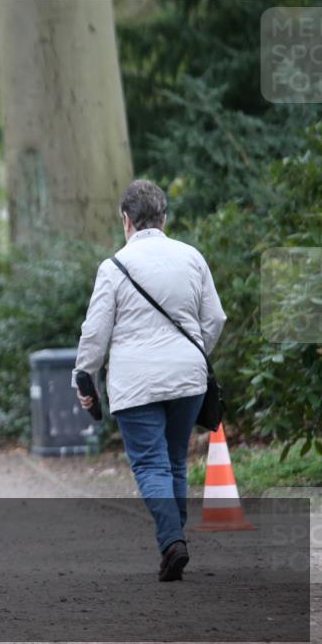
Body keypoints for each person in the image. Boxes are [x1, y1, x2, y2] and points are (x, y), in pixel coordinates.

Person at [73, 179, 226, 582]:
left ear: (126, 220)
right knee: (174, 460)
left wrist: (85, 375)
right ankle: (174, 542)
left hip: (135, 382)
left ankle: (172, 542)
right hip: (188, 379)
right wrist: (194, 354)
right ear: (164, 217)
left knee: (150, 464)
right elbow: (215, 318)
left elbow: (95, 332)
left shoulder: (114, 267)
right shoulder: (191, 257)